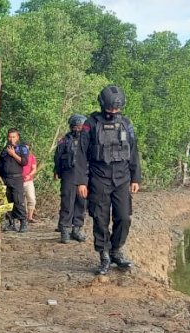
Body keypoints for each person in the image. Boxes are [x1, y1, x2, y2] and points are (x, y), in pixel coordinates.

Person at [75, 85, 141, 275]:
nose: (114, 111)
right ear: (103, 104)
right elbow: (81, 154)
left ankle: (116, 250)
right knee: (100, 218)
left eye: (117, 108)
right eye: (111, 107)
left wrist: (135, 177)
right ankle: (103, 254)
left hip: (122, 177)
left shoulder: (126, 123)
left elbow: (133, 151)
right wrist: (81, 181)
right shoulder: (91, 124)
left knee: (124, 217)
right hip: (99, 177)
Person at [53, 114, 89, 243]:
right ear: (72, 127)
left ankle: (77, 229)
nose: (78, 129)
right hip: (69, 174)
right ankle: (65, 230)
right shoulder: (64, 141)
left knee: (82, 203)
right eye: (76, 126)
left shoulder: (88, 141)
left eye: (81, 126)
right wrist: (57, 171)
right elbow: (57, 157)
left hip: (84, 175)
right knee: (67, 202)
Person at [0, 128, 29, 232]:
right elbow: (0, 165)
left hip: (17, 178)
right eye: (10, 137)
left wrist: (13, 154)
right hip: (5, 179)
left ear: (17, 137)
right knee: (8, 202)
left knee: (18, 201)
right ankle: (10, 223)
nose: (11, 139)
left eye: (14, 137)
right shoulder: (5, 149)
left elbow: (24, 162)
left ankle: (23, 222)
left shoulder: (22, 148)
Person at [22, 146, 40, 223]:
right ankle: (22, 218)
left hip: (28, 181)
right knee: (21, 201)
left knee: (31, 199)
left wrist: (29, 175)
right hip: (18, 181)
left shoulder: (32, 157)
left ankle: (30, 217)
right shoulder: (17, 157)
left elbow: (34, 169)